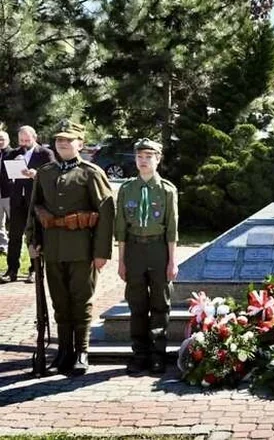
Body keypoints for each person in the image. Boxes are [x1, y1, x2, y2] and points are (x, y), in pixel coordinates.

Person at [26, 121, 114, 375]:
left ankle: (81, 352)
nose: (63, 144)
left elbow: (106, 213)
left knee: (81, 301)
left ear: (80, 143)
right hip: (53, 248)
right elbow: (35, 209)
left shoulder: (91, 173)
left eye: (68, 140)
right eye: (59, 140)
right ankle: (64, 351)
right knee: (60, 302)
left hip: (81, 248)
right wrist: (32, 241)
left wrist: (101, 252)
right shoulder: (45, 172)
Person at [115, 138, 178, 375]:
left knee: (160, 303)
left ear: (158, 159)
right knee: (137, 303)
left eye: (149, 157)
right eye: (139, 157)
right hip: (134, 250)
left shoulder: (167, 190)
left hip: (158, 249)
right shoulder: (127, 189)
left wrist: (172, 261)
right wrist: (121, 261)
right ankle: (139, 354)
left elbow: (172, 228)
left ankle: (157, 354)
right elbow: (121, 227)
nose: (143, 161)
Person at [2, 126, 54, 283]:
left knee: (34, 236)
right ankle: (12, 270)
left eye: (27, 140)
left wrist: (36, 174)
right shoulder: (13, 153)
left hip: (36, 200)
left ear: (35, 138)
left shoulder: (45, 153)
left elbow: (53, 174)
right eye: (21, 140)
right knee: (14, 236)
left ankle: (35, 270)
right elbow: (4, 174)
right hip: (17, 199)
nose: (24, 143)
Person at [0, 131, 12, 255]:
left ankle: (16, 246)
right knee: (0, 223)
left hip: (10, 194)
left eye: (2, 139)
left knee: (14, 222)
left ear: (8, 140)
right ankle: (3, 246)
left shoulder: (13, 154)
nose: (0, 142)